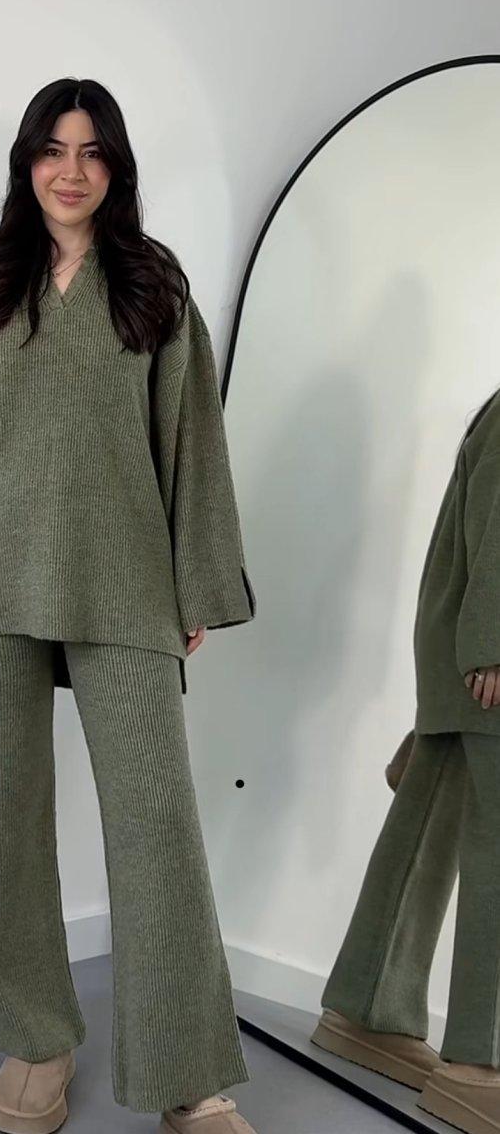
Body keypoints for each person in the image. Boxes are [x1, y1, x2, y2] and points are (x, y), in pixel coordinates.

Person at [0, 77, 258, 1132]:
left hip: (123, 579)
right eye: (51, 148)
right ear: (26, 162)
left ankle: (185, 1071)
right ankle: (37, 1037)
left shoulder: (154, 282)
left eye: (91, 151)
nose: (70, 171)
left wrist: (197, 582)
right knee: (2, 823)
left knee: (157, 824)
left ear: (115, 166)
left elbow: (193, 441)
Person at [312, 388, 500, 1134]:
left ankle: (368, 1010)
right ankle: (478, 1066)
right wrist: (490, 646)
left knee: (427, 829)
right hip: (485, 665)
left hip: (467, 657)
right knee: (490, 858)